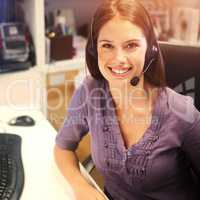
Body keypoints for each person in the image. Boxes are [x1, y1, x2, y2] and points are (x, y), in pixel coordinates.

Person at [54, 0, 200, 199]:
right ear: (94, 49)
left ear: (150, 49)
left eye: (131, 45)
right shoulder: (90, 92)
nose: (119, 59)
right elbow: (63, 147)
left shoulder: (181, 113)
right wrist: (80, 186)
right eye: (107, 46)